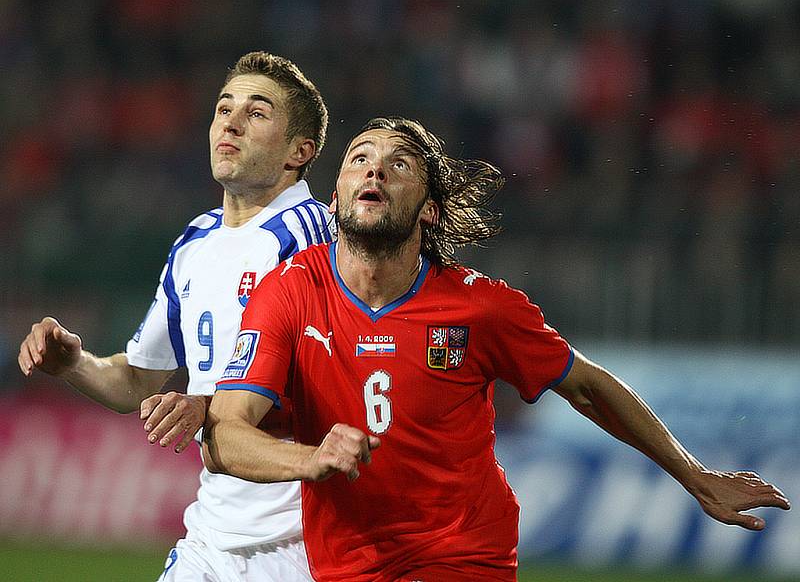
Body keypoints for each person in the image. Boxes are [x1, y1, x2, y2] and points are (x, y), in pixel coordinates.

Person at [202, 116, 791, 582]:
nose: (374, 171)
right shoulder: (289, 294)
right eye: (360, 159)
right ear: (337, 196)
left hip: (461, 556)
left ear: (429, 209)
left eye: (398, 164)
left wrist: (696, 476)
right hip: (346, 565)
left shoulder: (480, 307)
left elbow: (586, 386)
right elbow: (226, 434)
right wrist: (310, 460)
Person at [17, 51, 331, 581]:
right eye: (223, 107)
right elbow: (139, 379)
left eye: (257, 113)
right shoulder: (196, 243)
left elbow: (334, 379)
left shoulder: (314, 238)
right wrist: (74, 363)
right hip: (209, 538)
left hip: (300, 541)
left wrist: (207, 407)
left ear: (299, 151)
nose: (230, 122)